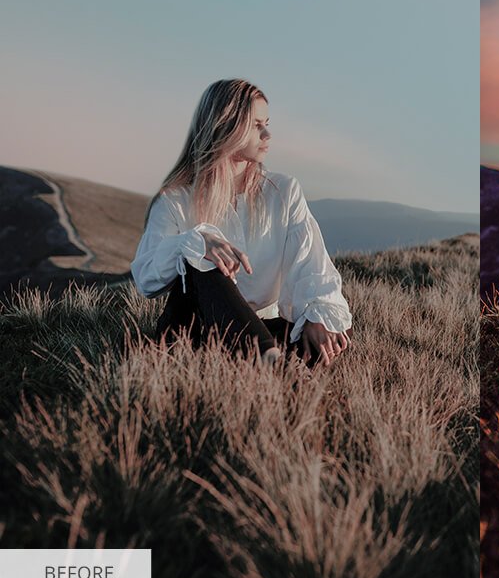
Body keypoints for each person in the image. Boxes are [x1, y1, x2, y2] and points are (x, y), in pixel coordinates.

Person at [131, 78, 352, 368]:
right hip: (195, 331)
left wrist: (317, 316)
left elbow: (312, 263)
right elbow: (146, 278)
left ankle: (263, 359)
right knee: (199, 255)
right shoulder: (176, 200)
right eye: (257, 125)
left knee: (327, 333)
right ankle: (270, 362)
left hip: (261, 327)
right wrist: (195, 242)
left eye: (267, 123)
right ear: (226, 126)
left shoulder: (283, 192)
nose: (268, 135)